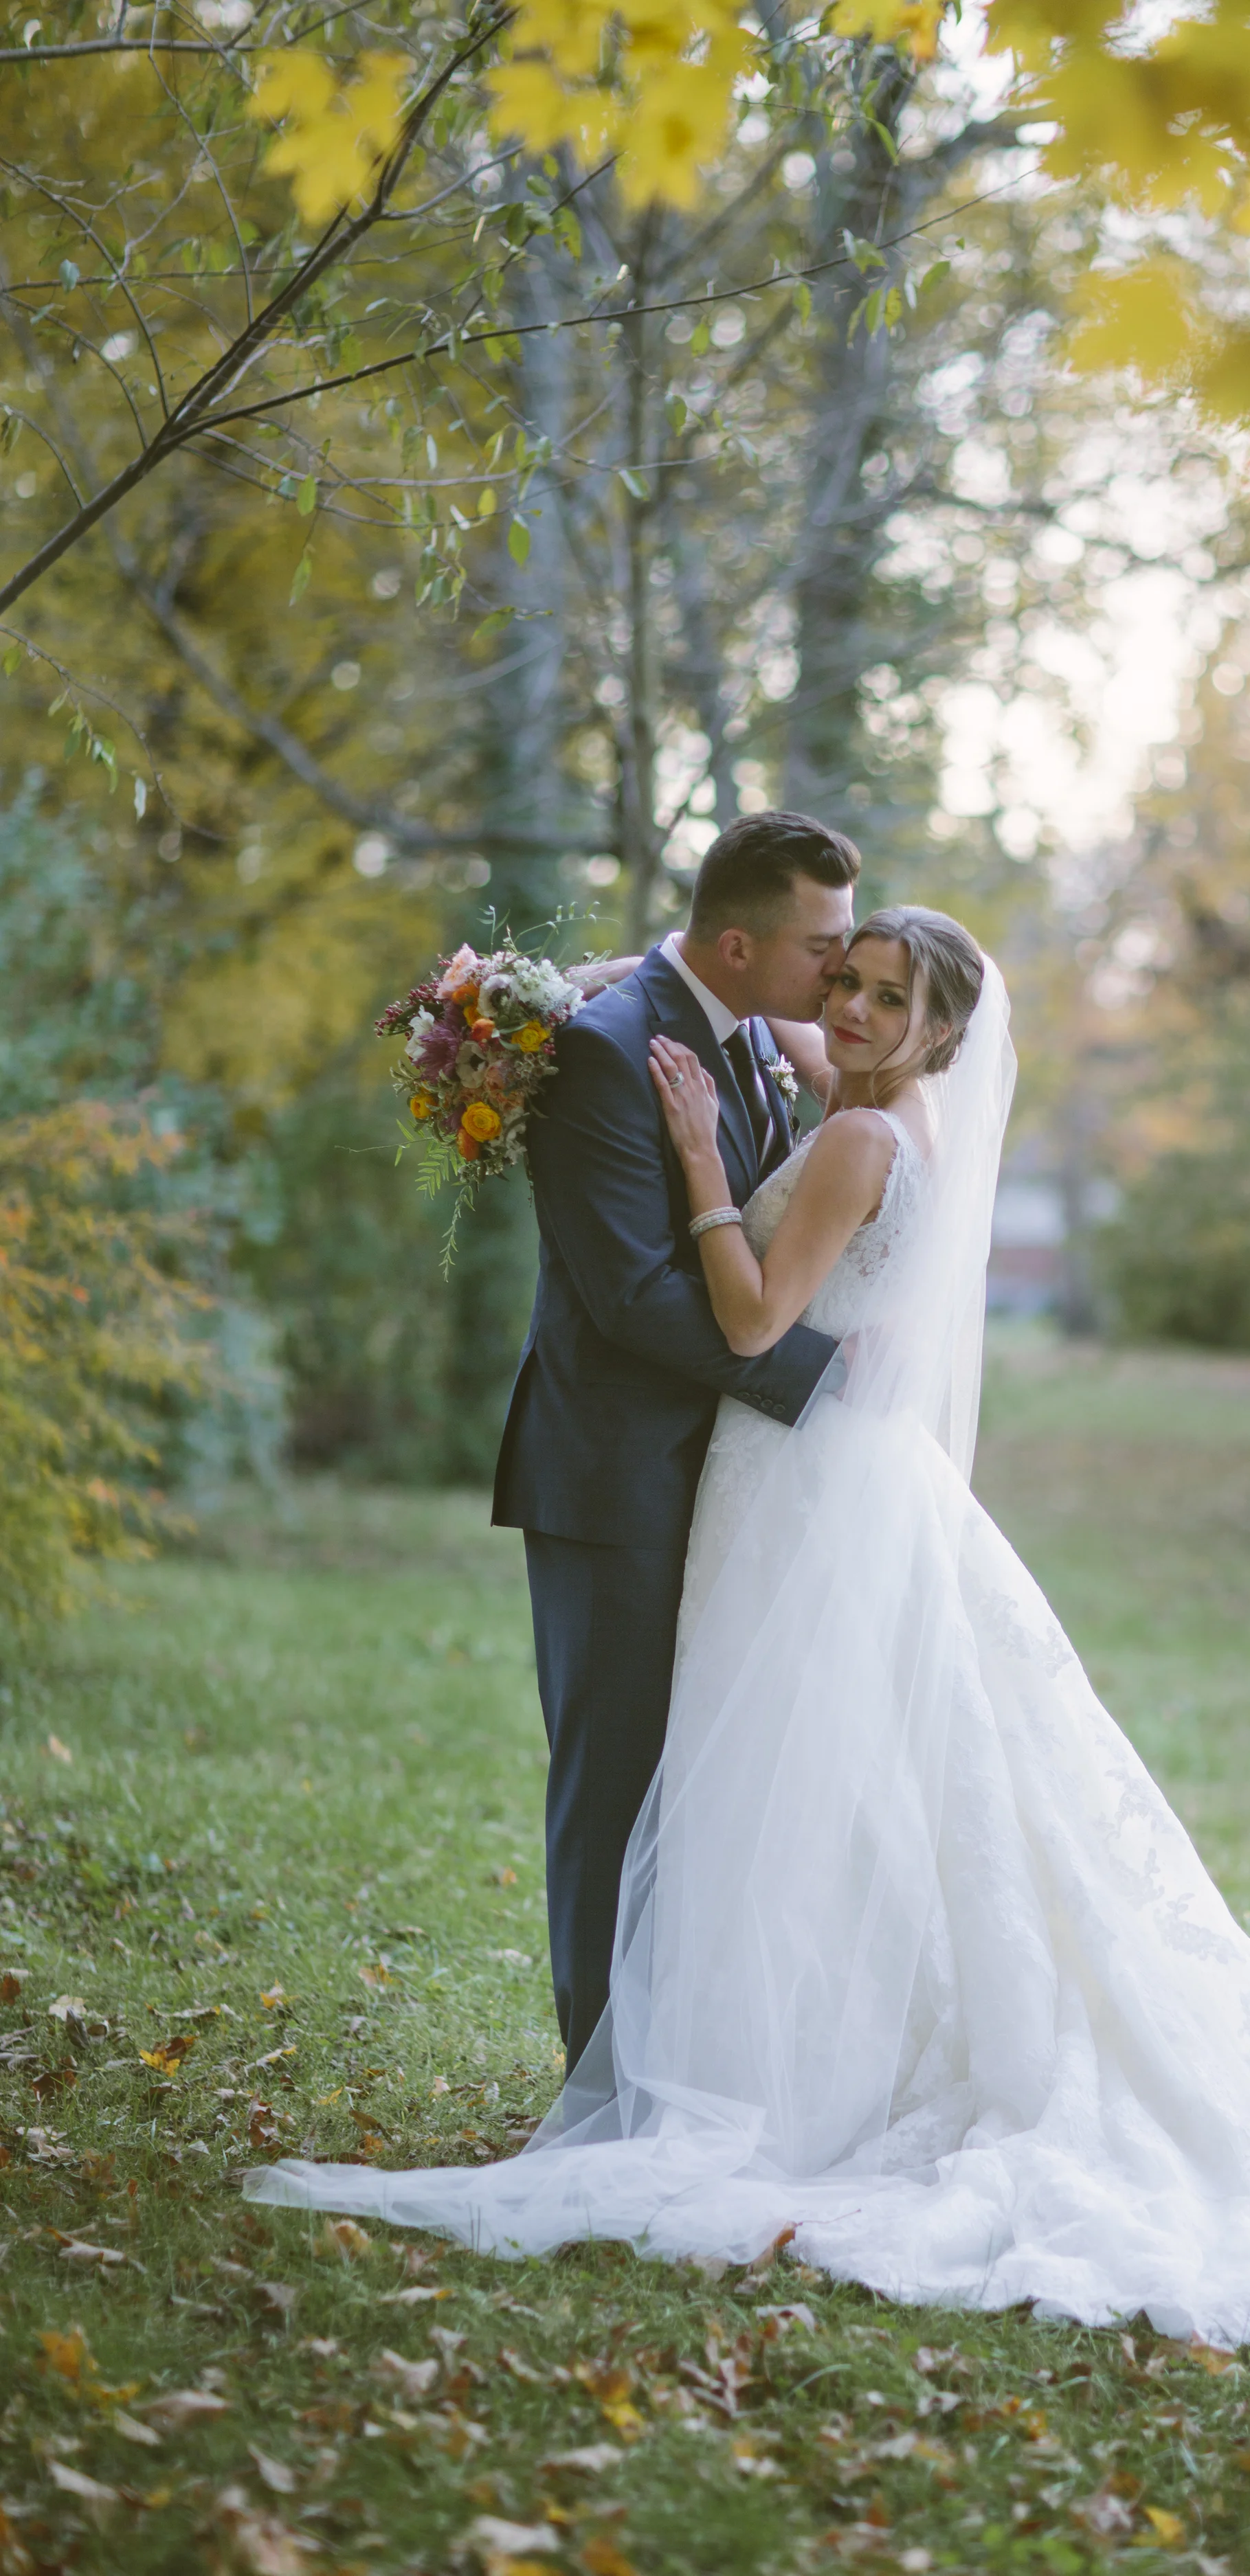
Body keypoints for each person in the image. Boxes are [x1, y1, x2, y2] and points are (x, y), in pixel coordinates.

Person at [252, 909, 1250, 2349]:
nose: (843, 1009)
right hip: (837, 1476)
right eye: (842, 980)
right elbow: (726, 997)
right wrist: (561, 990)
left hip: (800, 1484)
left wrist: (697, 1167)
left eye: (882, 997)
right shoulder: (871, 1089)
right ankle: (804, 2046)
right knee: (839, 1785)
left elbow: (745, 1321)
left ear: (940, 1035)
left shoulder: (857, 1142)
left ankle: (780, 2080)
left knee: (790, 1773)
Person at [489, 809, 860, 2070]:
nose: (843, 971)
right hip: (615, 1478)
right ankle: (597, 2084)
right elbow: (636, 1295)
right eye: (826, 946)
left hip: (720, 1482)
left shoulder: (753, 1032)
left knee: (698, 1786)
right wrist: (816, 1374)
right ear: (742, 943)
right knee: (613, 1787)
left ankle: (675, 2062)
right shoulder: (605, 1051)